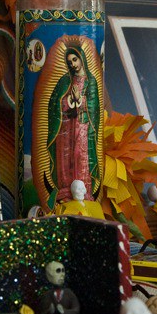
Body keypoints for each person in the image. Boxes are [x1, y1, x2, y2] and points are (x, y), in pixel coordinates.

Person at [46, 45, 101, 206]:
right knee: (65, 156)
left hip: (83, 126)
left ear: (82, 58)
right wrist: (67, 100)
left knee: (80, 154)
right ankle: (65, 193)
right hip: (66, 126)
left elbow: (94, 106)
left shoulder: (91, 82)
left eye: (75, 60)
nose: (73, 64)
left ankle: (83, 192)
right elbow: (54, 102)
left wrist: (80, 100)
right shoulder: (64, 81)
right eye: (69, 62)